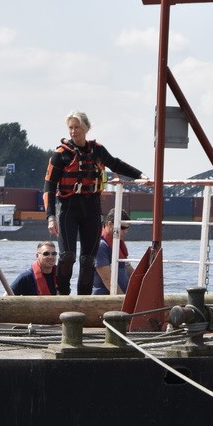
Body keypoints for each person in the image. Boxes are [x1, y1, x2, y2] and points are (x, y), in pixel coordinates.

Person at [44, 111, 142, 295]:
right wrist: (50, 217)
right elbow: (49, 187)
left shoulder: (97, 150)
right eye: (70, 128)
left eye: (77, 127)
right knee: (67, 256)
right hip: (68, 209)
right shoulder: (60, 155)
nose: (73, 132)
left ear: (86, 128)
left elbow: (115, 164)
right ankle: (62, 296)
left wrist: (140, 175)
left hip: (91, 208)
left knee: (88, 259)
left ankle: (83, 299)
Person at [92, 209, 132, 295]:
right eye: (123, 228)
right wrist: (123, 300)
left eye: (127, 227)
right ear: (110, 224)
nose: (126, 231)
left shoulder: (118, 244)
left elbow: (129, 270)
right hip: (105, 299)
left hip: (121, 296)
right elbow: (107, 280)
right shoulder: (101, 246)